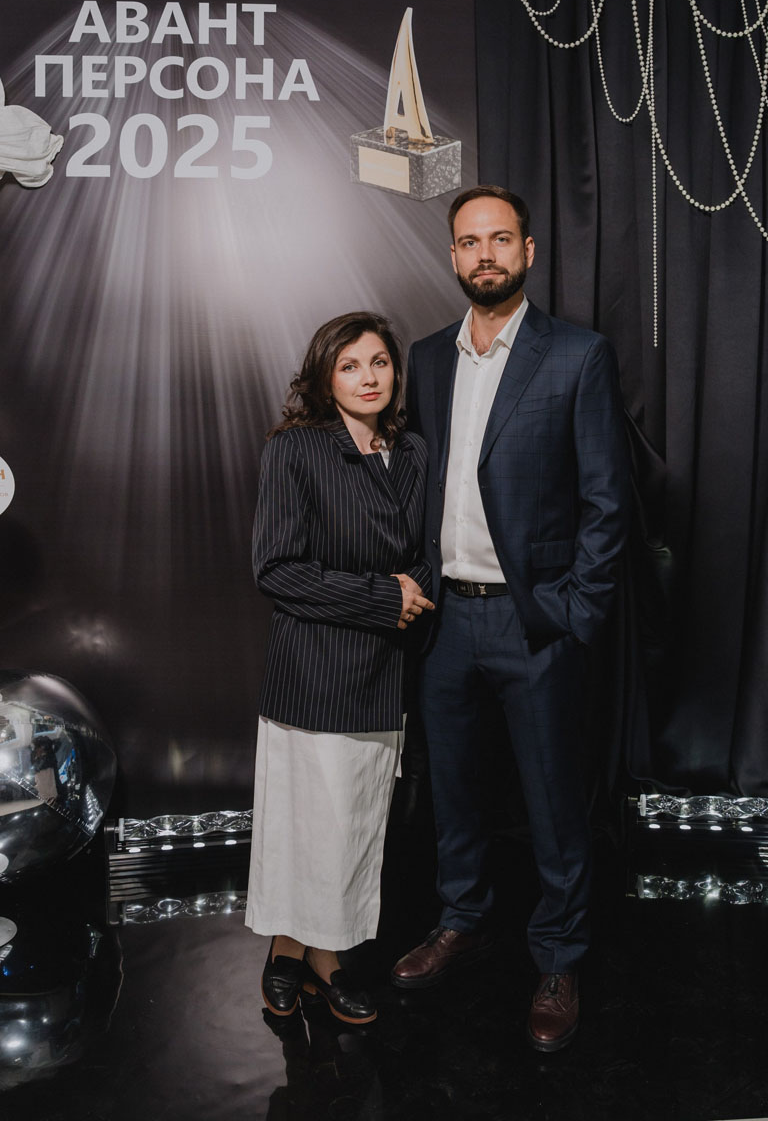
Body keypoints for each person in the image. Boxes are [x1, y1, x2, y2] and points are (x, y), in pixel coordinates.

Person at [391, 186, 630, 1052]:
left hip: (535, 623)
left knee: (553, 798)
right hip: (445, 619)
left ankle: (559, 956)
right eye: (468, 241)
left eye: (499, 239)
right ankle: (461, 919)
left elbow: (607, 501)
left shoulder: (577, 355)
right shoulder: (427, 357)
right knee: (452, 789)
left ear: (528, 251)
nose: (484, 254)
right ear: (453, 256)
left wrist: (573, 613)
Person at [246, 310, 434, 1025]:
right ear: (327, 378)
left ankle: (315, 952)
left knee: (353, 827)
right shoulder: (296, 449)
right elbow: (277, 569)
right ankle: (300, 954)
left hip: (383, 673)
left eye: (379, 362)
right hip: (312, 670)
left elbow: (427, 552)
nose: (367, 377)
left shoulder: (412, 453)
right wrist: (385, 597)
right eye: (350, 365)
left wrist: (415, 588)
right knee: (303, 824)